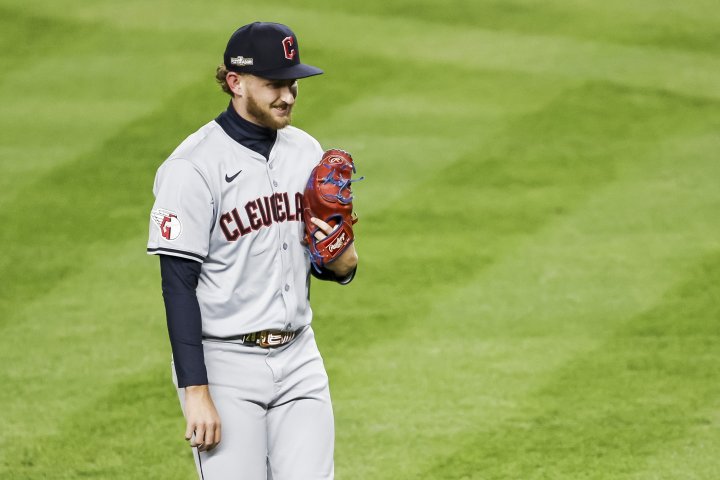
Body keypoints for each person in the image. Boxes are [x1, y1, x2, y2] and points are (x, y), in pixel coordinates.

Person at [146, 21, 358, 480]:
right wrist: (196, 391)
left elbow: (328, 263)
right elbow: (177, 286)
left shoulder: (305, 151)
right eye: (274, 84)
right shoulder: (191, 168)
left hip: (300, 357)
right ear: (235, 82)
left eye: (293, 83)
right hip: (226, 366)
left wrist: (344, 261)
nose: (288, 95)